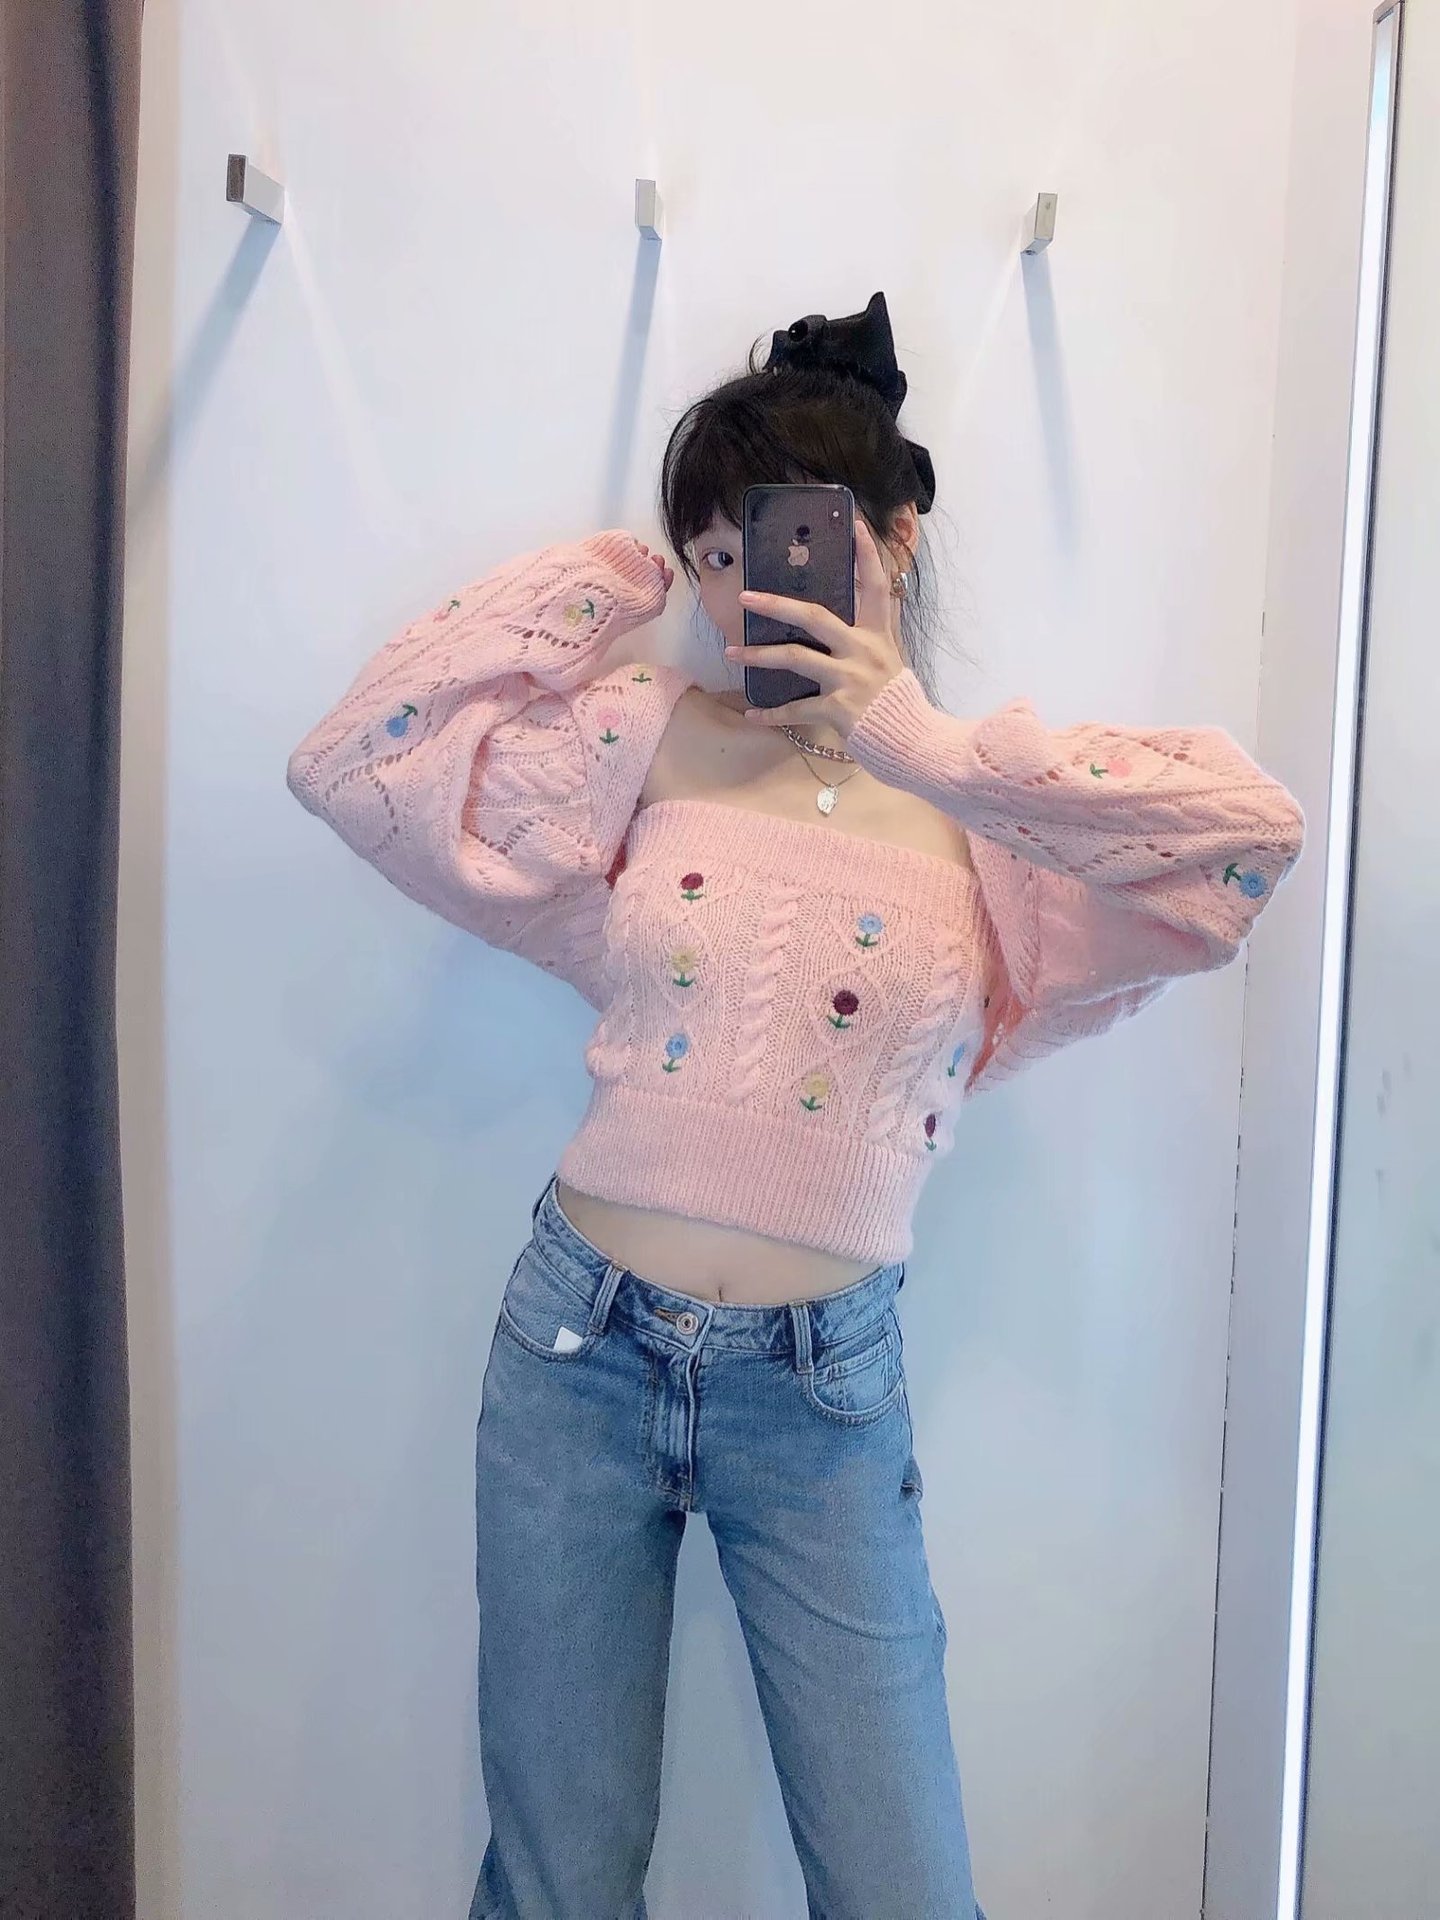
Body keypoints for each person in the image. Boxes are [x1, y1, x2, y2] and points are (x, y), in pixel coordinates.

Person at [286, 290, 1305, 1920]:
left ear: (894, 538)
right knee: (557, 1881)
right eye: (710, 550)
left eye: (781, 538)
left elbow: (1250, 838)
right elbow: (357, 764)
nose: (735, 584)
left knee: (902, 1887)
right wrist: (607, 582)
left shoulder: (991, 811)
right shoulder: (645, 740)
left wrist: (923, 745)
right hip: (574, 1349)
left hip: (824, 1396)